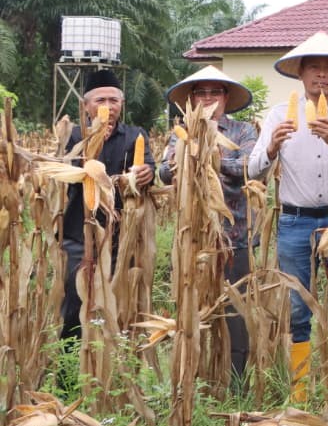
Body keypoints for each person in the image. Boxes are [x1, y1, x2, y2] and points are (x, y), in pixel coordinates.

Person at [248, 32, 328, 409]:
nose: (322, 76)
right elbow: (253, 170)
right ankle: (299, 392)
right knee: (297, 307)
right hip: (295, 221)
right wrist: (272, 146)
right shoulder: (278, 115)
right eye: (314, 68)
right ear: (301, 75)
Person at [158, 66, 259, 384]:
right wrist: (186, 156)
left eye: (215, 92)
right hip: (193, 239)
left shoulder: (243, 132)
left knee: (235, 312)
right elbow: (164, 171)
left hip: (235, 236)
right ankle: (196, 379)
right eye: (201, 92)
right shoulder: (182, 132)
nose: (208, 98)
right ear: (191, 99)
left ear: (226, 97)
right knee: (193, 307)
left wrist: (213, 156)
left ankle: (237, 382)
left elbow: (249, 166)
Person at [60, 69, 154, 342]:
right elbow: (62, 177)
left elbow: (148, 167)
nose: (108, 107)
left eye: (114, 100)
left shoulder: (135, 135)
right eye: (100, 100)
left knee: (118, 307)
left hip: (121, 238)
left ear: (121, 104)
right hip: (78, 237)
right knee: (75, 309)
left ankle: (114, 373)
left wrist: (147, 172)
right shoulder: (73, 137)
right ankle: (69, 379)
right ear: (86, 105)